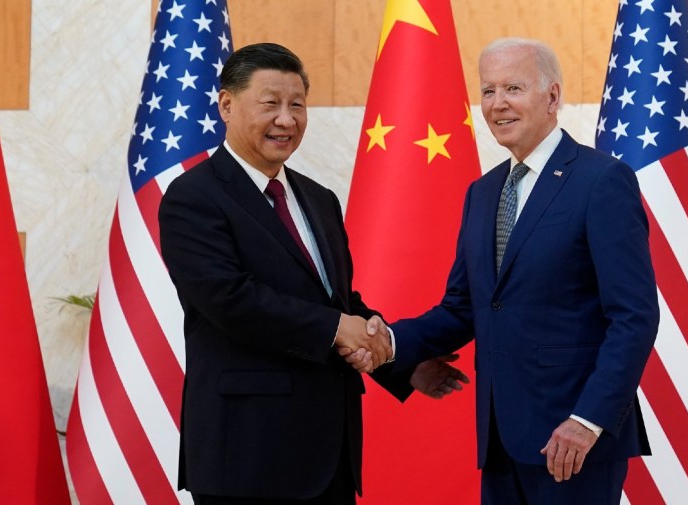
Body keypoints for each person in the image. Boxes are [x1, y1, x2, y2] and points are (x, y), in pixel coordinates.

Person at [347, 38, 660, 504]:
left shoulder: (601, 180)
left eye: (513, 88)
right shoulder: (483, 192)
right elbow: (462, 308)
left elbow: (634, 317)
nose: (497, 104)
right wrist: (388, 342)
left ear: (552, 97)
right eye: (488, 90)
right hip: (500, 439)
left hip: (573, 441)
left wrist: (587, 420)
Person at [159, 42, 465, 505]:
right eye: (270, 104)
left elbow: (336, 302)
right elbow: (230, 299)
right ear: (226, 104)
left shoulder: (318, 199)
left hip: (329, 453)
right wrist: (338, 328)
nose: (287, 119)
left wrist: (397, 360)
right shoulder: (193, 197)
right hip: (247, 455)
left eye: (297, 105)